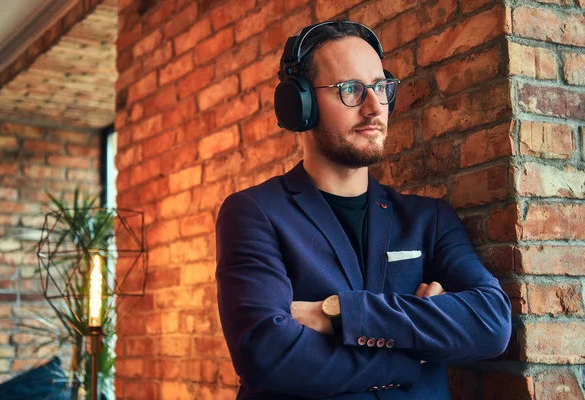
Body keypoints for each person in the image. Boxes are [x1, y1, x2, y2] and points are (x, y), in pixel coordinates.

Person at [215, 20, 511, 400]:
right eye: (350, 89)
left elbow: (491, 323)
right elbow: (267, 354)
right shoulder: (254, 213)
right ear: (300, 105)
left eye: (380, 87)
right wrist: (410, 360)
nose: (375, 107)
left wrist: (339, 313)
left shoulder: (429, 220)